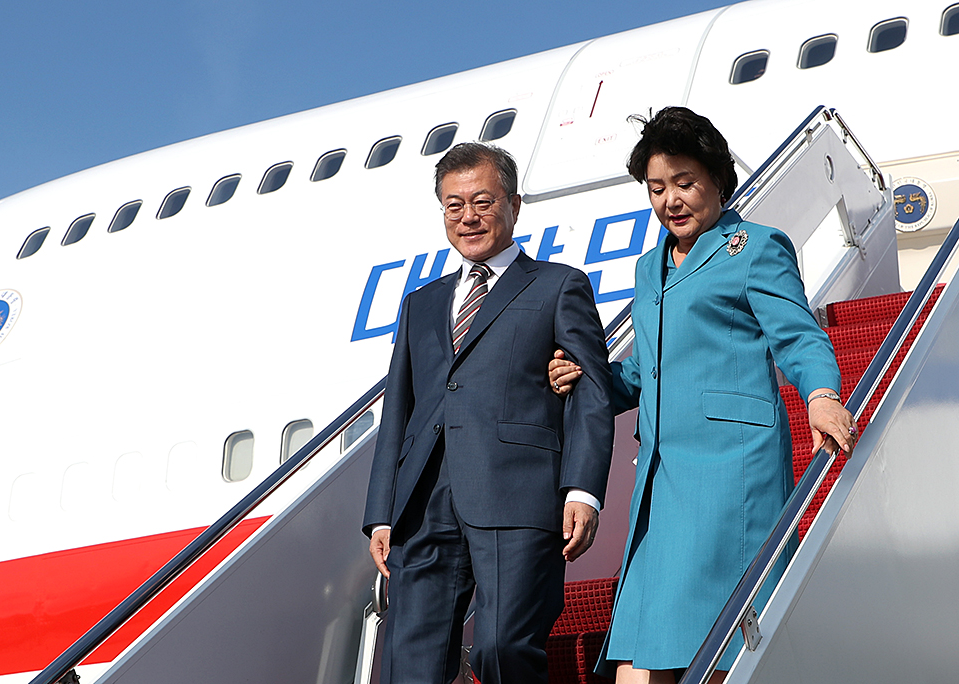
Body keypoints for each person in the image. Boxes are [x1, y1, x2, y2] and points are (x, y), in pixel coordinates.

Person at [548, 107, 856, 683]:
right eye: (657, 188)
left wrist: (819, 394)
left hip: (730, 472)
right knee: (640, 652)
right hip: (661, 481)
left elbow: (798, 335)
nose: (671, 200)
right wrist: (587, 380)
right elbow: (646, 370)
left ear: (718, 178)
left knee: (712, 646)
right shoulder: (648, 269)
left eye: (685, 183)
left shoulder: (755, 248)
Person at [363, 142, 614, 684]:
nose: (468, 218)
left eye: (482, 201)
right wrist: (382, 511)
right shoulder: (421, 304)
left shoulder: (557, 285)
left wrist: (583, 490)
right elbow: (400, 409)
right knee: (410, 665)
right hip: (424, 502)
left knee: (504, 650)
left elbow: (592, 392)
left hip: (518, 493)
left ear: (514, 204)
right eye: (453, 206)